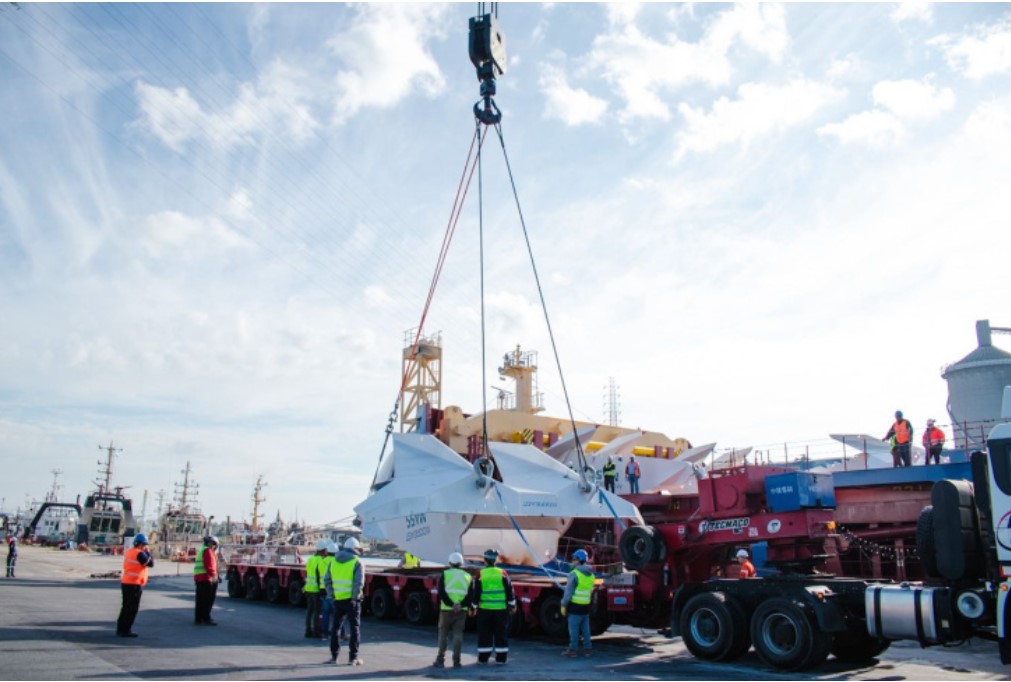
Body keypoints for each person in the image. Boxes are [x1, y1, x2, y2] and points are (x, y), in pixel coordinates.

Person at [468, 548, 516, 665]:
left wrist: (473, 607)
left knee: (485, 633)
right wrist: (512, 604)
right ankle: (501, 658)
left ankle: (483, 658)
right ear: (495, 560)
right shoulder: (502, 573)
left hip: (485, 610)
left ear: (485, 560)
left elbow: (476, 592)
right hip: (500, 609)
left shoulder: (481, 574)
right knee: (501, 633)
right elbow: (509, 590)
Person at [324, 537, 365, 666]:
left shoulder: (333, 562)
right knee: (354, 629)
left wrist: (332, 595)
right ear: (355, 549)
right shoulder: (357, 562)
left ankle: (334, 657)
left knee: (336, 628)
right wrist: (354, 597)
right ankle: (353, 658)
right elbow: (359, 583)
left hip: (338, 600)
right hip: (352, 601)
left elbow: (327, 580)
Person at [432, 551, 472, 669]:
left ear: (450, 562)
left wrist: (451, 604)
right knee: (458, 636)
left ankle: (440, 660)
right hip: (461, 611)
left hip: (446, 610)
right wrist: (460, 605)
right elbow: (470, 595)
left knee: (443, 635)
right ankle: (456, 661)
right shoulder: (468, 577)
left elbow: (441, 592)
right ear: (461, 563)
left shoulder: (445, 574)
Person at [116, 533, 155, 637]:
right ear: (141, 544)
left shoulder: (129, 552)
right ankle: (126, 630)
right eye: (145, 545)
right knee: (132, 608)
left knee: (125, 607)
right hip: (134, 583)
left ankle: (121, 628)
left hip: (126, 582)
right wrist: (149, 553)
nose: (145, 547)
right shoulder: (139, 554)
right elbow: (151, 563)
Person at [560, 548, 594, 658]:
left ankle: (573, 649)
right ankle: (588, 649)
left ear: (579, 560)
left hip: (575, 606)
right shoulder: (591, 574)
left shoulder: (574, 574)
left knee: (574, 629)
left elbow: (568, 592)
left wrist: (563, 604)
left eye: (574, 558)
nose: (572, 560)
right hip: (586, 606)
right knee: (585, 628)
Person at [193, 535, 220, 625]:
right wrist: (215, 576)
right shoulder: (208, 551)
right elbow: (210, 566)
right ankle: (206, 618)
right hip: (207, 578)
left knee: (200, 600)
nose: (214, 546)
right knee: (207, 600)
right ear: (210, 543)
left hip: (200, 578)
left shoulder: (202, 550)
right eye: (213, 544)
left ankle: (199, 618)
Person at [304, 540, 328, 638]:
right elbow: (319, 576)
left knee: (310, 611)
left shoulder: (310, 559)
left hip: (308, 588)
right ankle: (316, 632)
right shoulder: (321, 561)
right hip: (316, 590)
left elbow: (307, 573)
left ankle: (308, 631)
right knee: (317, 612)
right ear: (324, 550)